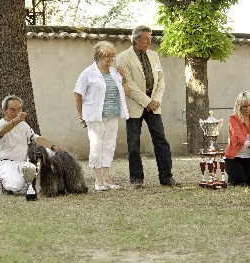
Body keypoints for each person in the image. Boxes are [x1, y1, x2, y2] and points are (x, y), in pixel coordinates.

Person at [116, 25, 180, 188]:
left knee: (161, 141)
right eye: (146, 38)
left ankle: (166, 177)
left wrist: (156, 100)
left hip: (154, 104)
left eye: (150, 38)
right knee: (133, 143)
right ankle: (136, 178)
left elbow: (161, 81)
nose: (149, 42)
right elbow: (128, 84)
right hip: (135, 103)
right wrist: (147, 102)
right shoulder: (123, 57)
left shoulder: (154, 56)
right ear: (136, 39)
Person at [74, 41, 130, 191]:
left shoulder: (115, 72)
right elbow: (78, 94)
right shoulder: (88, 72)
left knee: (109, 146)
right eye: (107, 56)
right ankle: (97, 180)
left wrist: (124, 77)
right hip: (94, 116)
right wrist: (81, 116)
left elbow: (125, 92)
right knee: (96, 146)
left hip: (113, 114)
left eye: (112, 56)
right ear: (98, 57)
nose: (110, 59)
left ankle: (107, 178)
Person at [0, 95, 61, 195]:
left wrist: (52, 146)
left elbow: (35, 138)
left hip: (24, 161)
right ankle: (5, 184)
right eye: (13, 110)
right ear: (4, 111)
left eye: (19, 109)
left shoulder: (23, 124)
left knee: (50, 153)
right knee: (16, 186)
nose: (17, 113)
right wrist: (16, 120)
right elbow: (1, 131)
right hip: (6, 163)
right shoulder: (0, 124)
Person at [224, 91, 250, 186]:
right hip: (233, 158)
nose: (248, 109)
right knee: (241, 182)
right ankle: (233, 174)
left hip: (249, 157)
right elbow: (239, 137)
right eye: (244, 106)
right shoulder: (233, 119)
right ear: (239, 106)